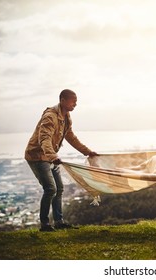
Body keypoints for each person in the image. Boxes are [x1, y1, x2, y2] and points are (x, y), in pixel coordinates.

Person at [25, 89, 98, 232]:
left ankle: (59, 222)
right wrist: (53, 157)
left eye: (76, 102)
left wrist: (87, 152)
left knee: (59, 188)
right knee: (50, 189)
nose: (75, 104)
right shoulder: (50, 116)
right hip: (38, 156)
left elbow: (71, 137)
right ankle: (45, 225)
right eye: (73, 101)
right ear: (63, 100)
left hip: (50, 157)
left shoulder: (66, 117)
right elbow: (44, 139)